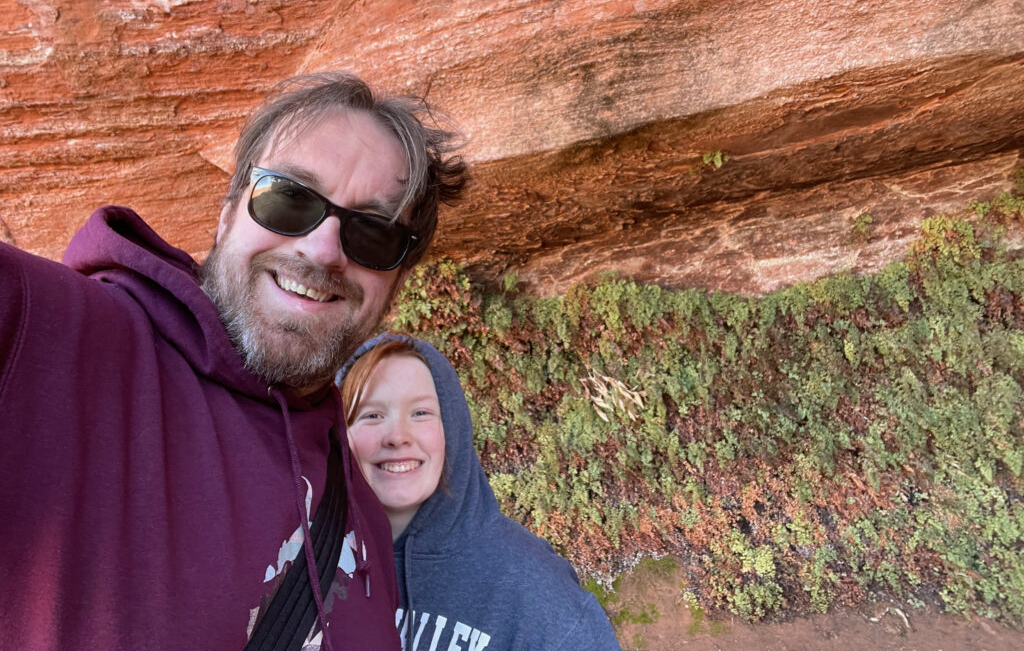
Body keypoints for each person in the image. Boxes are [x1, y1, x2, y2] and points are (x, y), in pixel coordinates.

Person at [0, 72, 467, 651]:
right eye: (289, 197)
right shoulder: (48, 336)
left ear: (392, 287)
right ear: (227, 212)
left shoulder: (360, 506)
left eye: (372, 234)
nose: (322, 250)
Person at [338, 334, 622, 651]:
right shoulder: (303, 560)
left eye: (420, 413)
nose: (397, 436)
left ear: (453, 427)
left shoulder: (530, 585)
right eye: (371, 415)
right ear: (339, 434)